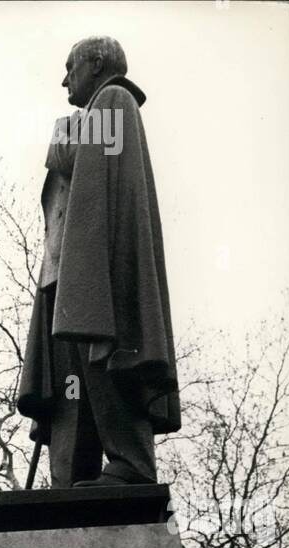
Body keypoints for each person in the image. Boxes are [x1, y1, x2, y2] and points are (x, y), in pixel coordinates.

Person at [16, 36, 180, 487]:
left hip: (95, 276)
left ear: (95, 63)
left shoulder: (113, 98)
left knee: (106, 366)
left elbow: (92, 163)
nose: (64, 78)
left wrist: (63, 137)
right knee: (71, 384)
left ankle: (130, 463)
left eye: (70, 66)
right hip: (66, 278)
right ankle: (71, 475)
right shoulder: (93, 114)